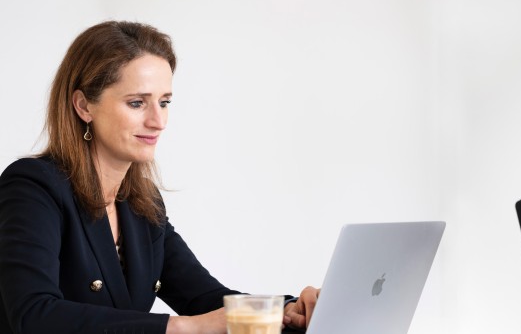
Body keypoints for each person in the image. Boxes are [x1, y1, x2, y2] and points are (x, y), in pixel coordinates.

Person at [0, 21, 319, 334]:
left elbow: (205, 299)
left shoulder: (142, 202)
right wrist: (183, 327)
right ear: (84, 106)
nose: (158, 121)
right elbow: (33, 314)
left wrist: (288, 311)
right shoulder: (33, 186)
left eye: (164, 102)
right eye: (137, 103)